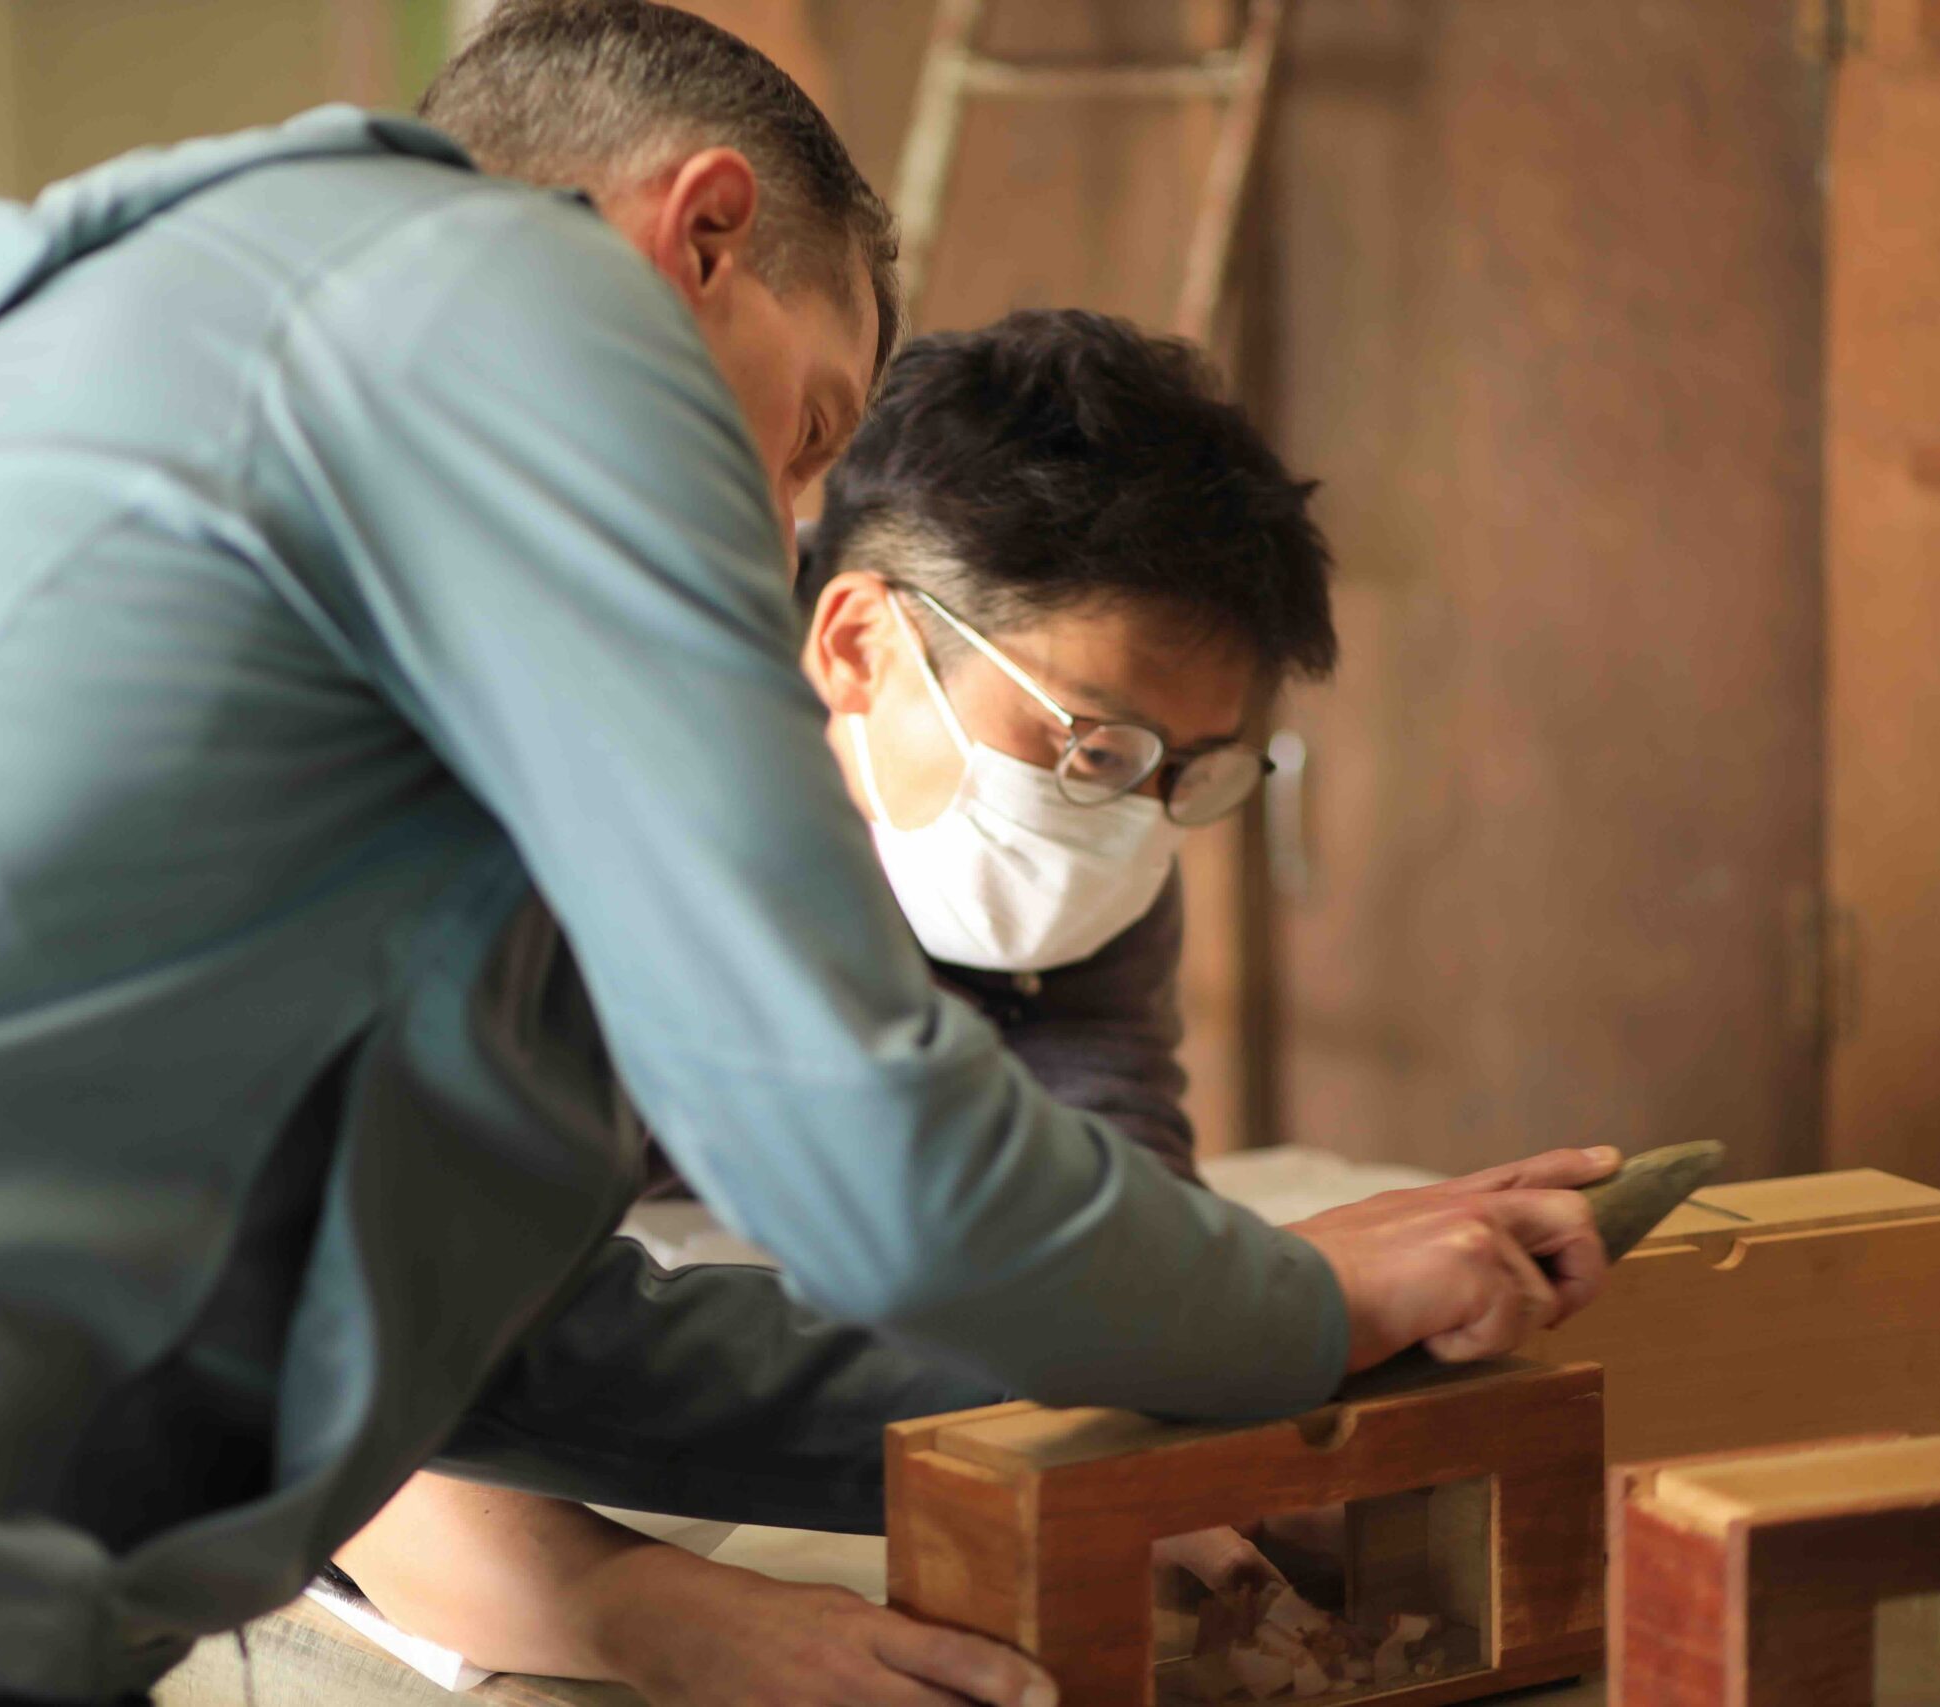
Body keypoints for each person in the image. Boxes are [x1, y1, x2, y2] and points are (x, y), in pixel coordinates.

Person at [0, 6, 1611, 1706]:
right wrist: (1298, 1300)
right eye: (803, 433)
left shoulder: (155, 444)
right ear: (698, 231)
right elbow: (886, 1174)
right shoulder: (515, 301)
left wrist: (1202, 1372)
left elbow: (541, 1345)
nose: (766, 536)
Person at [313, 311, 1586, 1707]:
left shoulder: (1092, 841)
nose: (1130, 816)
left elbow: (1102, 1211)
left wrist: (1190, 1441)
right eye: (1089, 745)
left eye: (1193, 774)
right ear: (859, 646)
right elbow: (406, 1363)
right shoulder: (551, 807)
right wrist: (663, 1612)